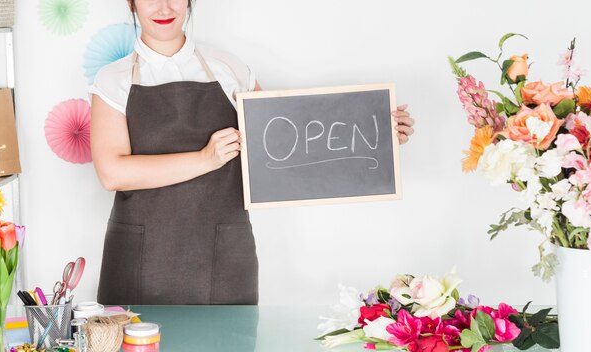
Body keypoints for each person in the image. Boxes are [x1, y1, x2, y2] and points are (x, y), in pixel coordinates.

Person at [90, 0, 415, 305]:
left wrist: (376, 134)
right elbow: (113, 173)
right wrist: (206, 158)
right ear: (131, 2)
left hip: (224, 252)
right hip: (140, 255)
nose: (163, 7)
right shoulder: (111, 80)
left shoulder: (229, 67)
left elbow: (289, 144)